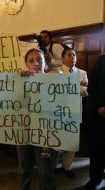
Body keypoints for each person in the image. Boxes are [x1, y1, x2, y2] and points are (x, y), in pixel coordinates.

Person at [17, 48, 59, 190]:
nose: (36, 63)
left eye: (39, 59)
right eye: (31, 60)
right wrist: (20, 82)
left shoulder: (55, 78)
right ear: (26, 64)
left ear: (45, 62)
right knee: (24, 168)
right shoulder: (21, 80)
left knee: (45, 171)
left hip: (46, 133)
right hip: (24, 131)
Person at [58, 48, 88, 179]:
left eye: (74, 55)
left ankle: (67, 167)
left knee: (72, 142)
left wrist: (69, 86)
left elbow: (85, 92)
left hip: (75, 113)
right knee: (57, 141)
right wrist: (78, 86)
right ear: (63, 58)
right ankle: (53, 164)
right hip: (59, 112)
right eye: (69, 55)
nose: (73, 57)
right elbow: (58, 91)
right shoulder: (56, 72)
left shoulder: (82, 72)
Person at [84, 54, 105, 190]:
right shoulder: (102, 60)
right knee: (98, 148)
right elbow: (92, 86)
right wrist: (100, 105)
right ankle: (95, 179)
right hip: (101, 114)